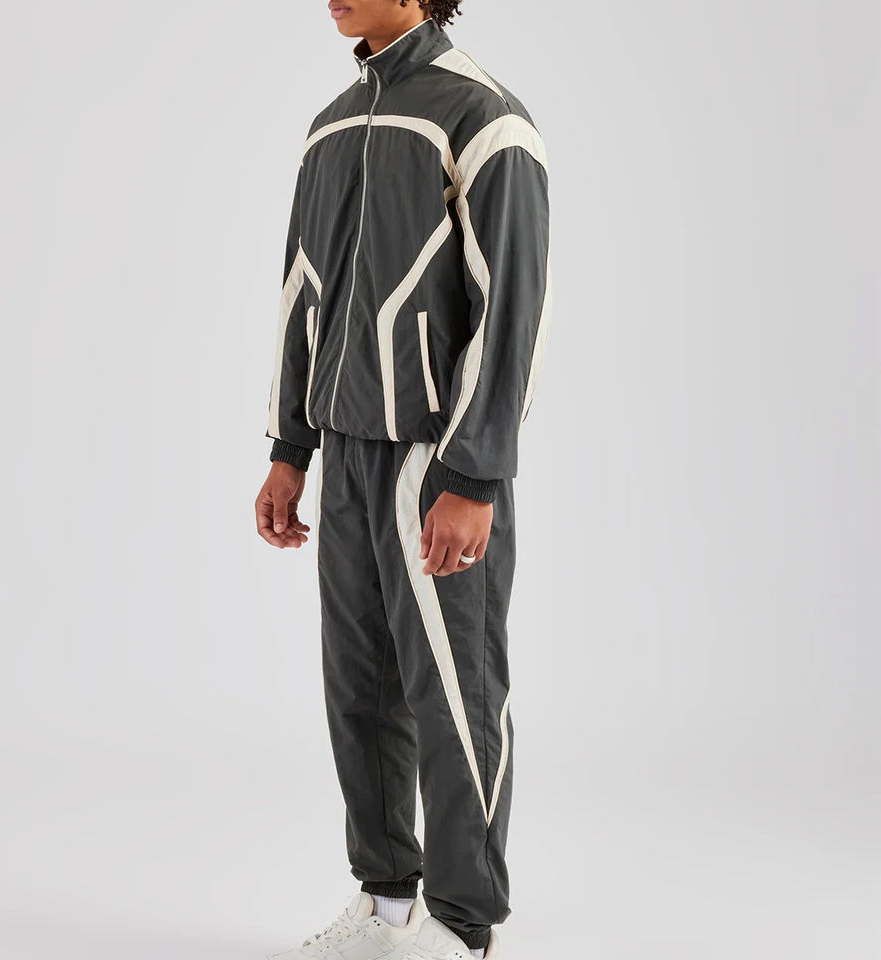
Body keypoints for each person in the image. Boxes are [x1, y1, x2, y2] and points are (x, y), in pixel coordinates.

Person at [255, 1, 552, 957]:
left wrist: (473, 473)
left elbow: (511, 308)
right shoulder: (331, 124)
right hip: (343, 454)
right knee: (360, 689)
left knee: (455, 695)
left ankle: (462, 927)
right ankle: (387, 911)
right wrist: (288, 448)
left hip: (434, 460)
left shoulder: (483, 117)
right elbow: (301, 291)